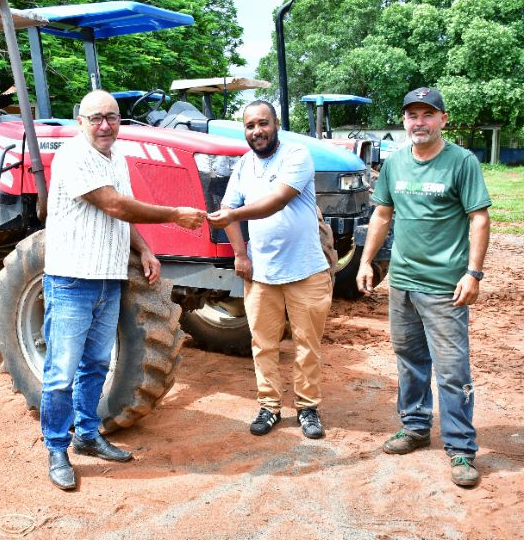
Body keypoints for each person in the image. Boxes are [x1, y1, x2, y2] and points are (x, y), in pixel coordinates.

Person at [41, 89, 206, 490]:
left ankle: (87, 435)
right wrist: (174, 215)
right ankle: (56, 448)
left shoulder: (116, 157)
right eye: (95, 118)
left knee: (96, 364)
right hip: (72, 280)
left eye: (112, 117)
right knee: (61, 372)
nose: (104, 125)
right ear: (80, 121)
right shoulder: (74, 156)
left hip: (108, 280)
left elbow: (121, 213)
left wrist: (145, 250)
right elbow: (115, 205)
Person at [356, 87, 491, 488]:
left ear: (442, 120)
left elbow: (479, 220)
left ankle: (461, 447)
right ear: (404, 121)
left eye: (427, 115)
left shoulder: (462, 162)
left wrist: (474, 273)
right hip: (403, 284)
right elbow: (382, 214)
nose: (419, 122)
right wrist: (365, 260)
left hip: (446, 288)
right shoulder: (395, 164)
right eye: (412, 115)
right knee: (409, 359)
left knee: (452, 369)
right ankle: (415, 428)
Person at [208, 100, 333, 440]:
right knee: (263, 344)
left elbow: (277, 199)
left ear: (275, 124)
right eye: (249, 126)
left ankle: (307, 408)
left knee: (307, 344)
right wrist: (240, 253)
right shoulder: (244, 165)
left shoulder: (296, 156)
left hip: (306, 270)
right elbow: (226, 205)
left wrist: (233, 217)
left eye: (263, 124)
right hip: (262, 273)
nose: (256, 131)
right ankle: (270, 407)